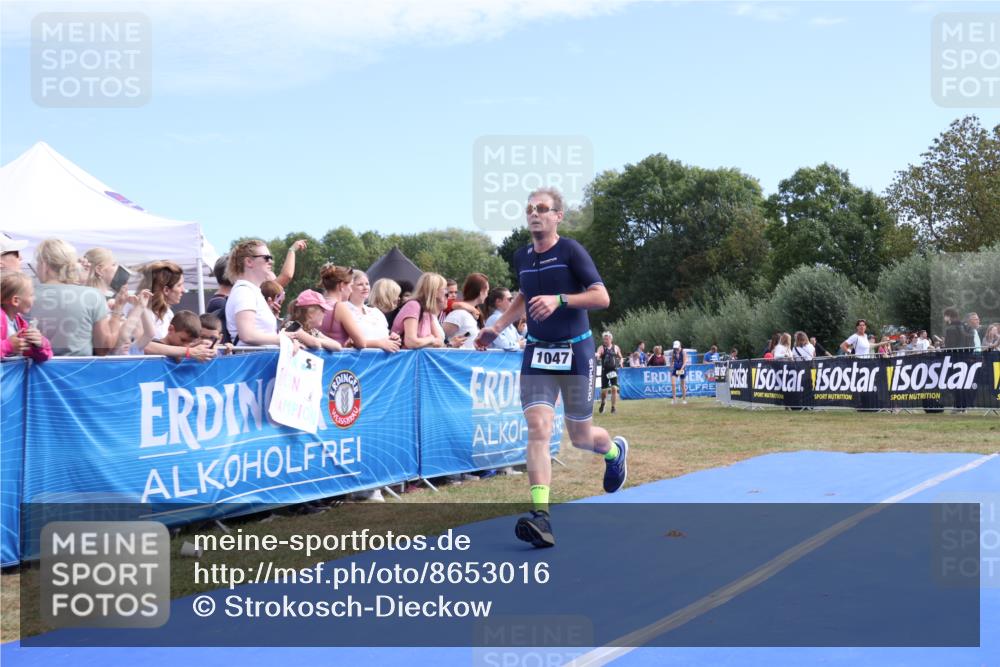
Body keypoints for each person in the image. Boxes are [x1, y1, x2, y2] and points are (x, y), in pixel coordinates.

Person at [475, 187, 628, 548]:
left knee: (580, 437)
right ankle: (541, 516)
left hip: (576, 352)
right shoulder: (522, 256)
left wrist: (561, 299)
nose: (534, 214)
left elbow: (601, 296)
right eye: (530, 209)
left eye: (543, 209)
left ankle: (614, 452)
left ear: (558, 216)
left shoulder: (571, 251)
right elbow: (525, 296)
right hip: (538, 353)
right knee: (538, 427)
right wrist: (497, 327)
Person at [30, 239, 122, 356]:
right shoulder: (92, 295)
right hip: (78, 371)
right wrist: (118, 310)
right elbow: (103, 347)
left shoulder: (25, 294)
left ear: (44, 265)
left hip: (34, 371)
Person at [225, 239, 307, 347]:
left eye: (271, 258)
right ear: (249, 262)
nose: (271, 261)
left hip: (260, 359)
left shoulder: (251, 291)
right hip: (256, 361)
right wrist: (284, 339)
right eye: (266, 258)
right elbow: (247, 335)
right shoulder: (244, 291)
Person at [319, 264, 400, 352]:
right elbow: (361, 343)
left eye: (367, 284)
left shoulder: (320, 304)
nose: (350, 290)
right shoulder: (340, 307)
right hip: (340, 359)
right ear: (342, 286)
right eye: (350, 285)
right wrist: (380, 343)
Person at [1, 272, 52, 361]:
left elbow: (45, 355)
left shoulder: (19, 323)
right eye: (31, 295)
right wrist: (7, 346)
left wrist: (38, 344)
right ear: (16, 300)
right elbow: (8, 347)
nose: (34, 298)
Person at [392, 272, 448, 349]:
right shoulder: (413, 306)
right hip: (405, 359)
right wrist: (430, 339)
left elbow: (440, 341)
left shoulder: (427, 311)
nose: (446, 292)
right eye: (444, 289)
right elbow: (411, 342)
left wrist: (424, 341)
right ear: (434, 291)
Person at [347, 271, 399, 344]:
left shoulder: (376, 312)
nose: (365, 287)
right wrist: (379, 344)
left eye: (367, 284)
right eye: (360, 284)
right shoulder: (344, 310)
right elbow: (349, 342)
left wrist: (392, 338)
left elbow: (384, 337)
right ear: (349, 287)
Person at [443, 273, 489, 349]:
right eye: (487, 291)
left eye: (455, 292)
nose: (487, 295)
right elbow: (440, 340)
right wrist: (450, 345)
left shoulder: (470, 313)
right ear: (481, 292)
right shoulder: (459, 314)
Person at [482, 287, 522, 351]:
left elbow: (520, 339)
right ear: (498, 302)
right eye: (510, 299)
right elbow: (504, 345)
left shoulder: (506, 320)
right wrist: (519, 345)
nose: (512, 302)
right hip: (497, 359)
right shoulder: (494, 319)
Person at [595, 331, 623, 415]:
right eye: (604, 339)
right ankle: (603, 402)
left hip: (613, 370)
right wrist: (597, 355)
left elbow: (621, 357)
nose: (605, 341)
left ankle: (613, 407)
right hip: (605, 371)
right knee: (604, 391)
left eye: (607, 339)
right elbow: (598, 354)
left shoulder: (616, 347)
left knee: (614, 388)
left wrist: (621, 362)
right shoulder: (601, 347)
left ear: (611, 339)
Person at [670, 340, 688, 405]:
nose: (676, 349)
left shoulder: (683, 352)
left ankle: (684, 399)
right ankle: (674, 399)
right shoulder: (673, 352)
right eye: (675, 348)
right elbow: (672, 361)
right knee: (673, 384)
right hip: (675, 369)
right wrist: (671, 368)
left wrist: (681, 369)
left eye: (677, 348)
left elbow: (685, 362)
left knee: (682, 385)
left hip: (682, 369)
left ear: (680, 346)